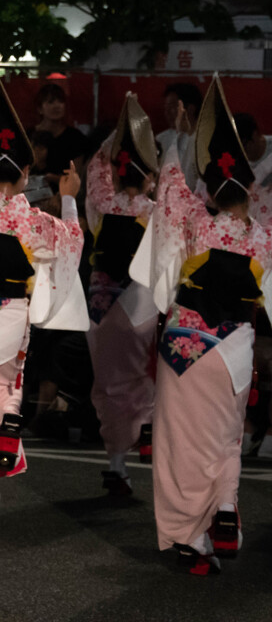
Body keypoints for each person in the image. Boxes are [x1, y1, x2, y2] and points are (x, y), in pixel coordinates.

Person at [131, 76, 272, 575]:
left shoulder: (193, 219)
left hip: (186, 349)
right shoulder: (265, 237)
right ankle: (227, 507)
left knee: (179, 445)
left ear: (208, 187)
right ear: (252, 189)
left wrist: (182, 139)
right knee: (227, 438)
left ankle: (189, 539)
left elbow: (169, 183)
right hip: (234, 349)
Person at [0, 71, 86, 480]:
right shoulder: (35, 221)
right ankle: (10, 417)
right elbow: (73, 246)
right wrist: (69, 200)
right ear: (25, 173)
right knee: (8, 384)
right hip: (13, 315)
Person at [85, 93, 161, 496]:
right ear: (150, 175)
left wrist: (121, 131)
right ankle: (146, 429)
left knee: (108, 384)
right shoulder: (156, 210)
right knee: (143, 376)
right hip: (142, 304)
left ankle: (116, 463)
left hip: (101, 302)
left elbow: (96, 167)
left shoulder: (101, 201)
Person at [34, 83, 88, 192]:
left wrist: (56, 179)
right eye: (50, 102)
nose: (57, 106)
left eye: (60, 101)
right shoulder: (29, 135)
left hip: (65, 196)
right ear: (40, 108)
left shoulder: (75, 137)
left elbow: (77, 177)